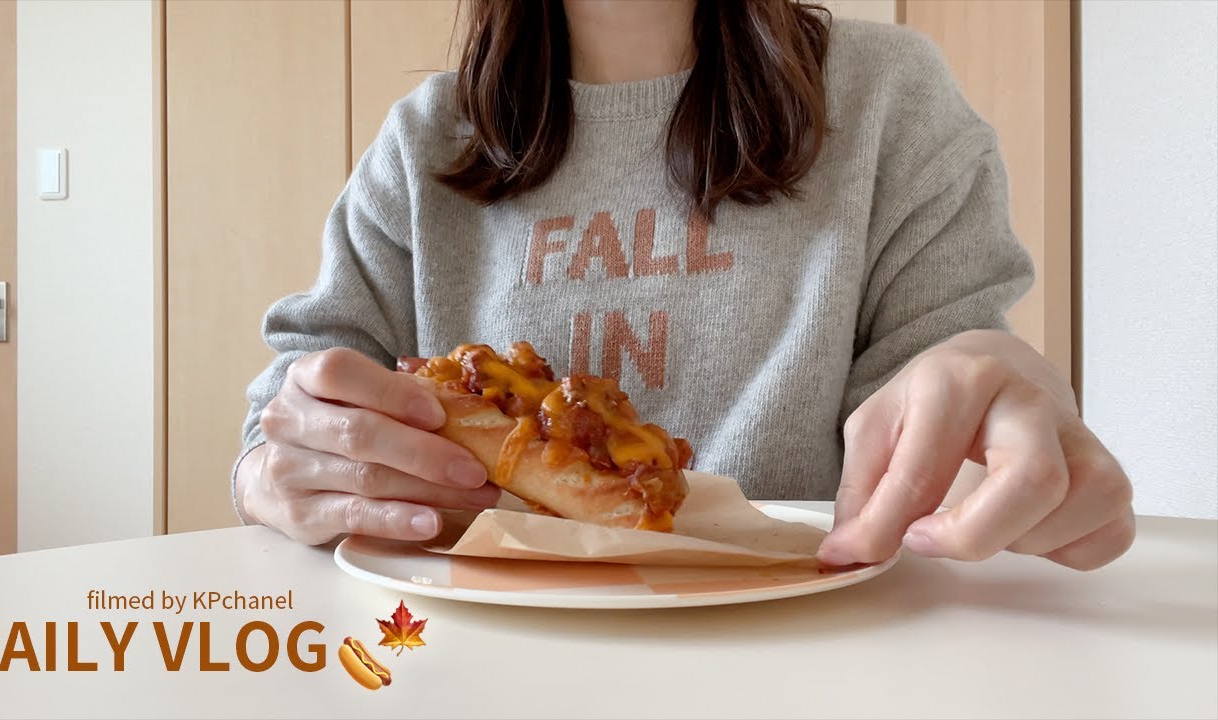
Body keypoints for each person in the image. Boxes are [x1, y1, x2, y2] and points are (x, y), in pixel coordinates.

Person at [232, 0, 1135, 571]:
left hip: (806, 650)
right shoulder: (426, 140)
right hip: (475, 651)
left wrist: (987, 392)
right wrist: (279, 469)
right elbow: (301, 384)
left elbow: (935, 395)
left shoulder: (889, 97)